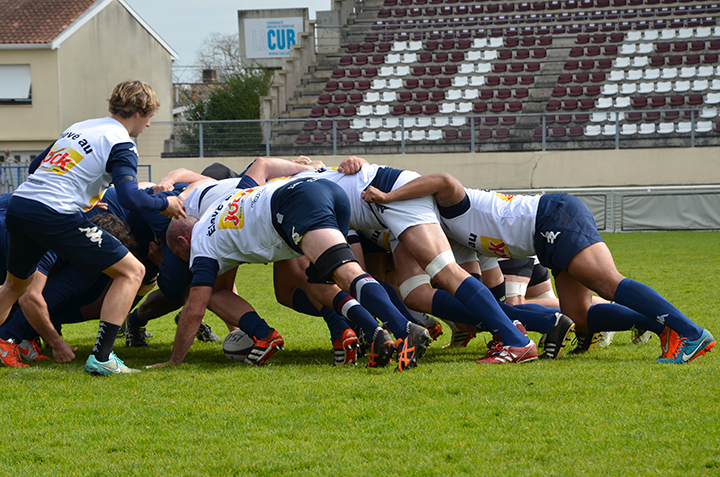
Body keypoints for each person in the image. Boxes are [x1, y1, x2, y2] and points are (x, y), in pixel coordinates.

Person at [362, 172, 715, 364]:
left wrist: (389, 197)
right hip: (543, 239)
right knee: (580, 314)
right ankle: (660, 325)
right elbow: (472, 285)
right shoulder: (447, 235)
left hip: (552, 216)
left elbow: (442, 179)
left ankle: (691, 332)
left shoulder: (447, 204)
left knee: (608, 283)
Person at [150, 176, 431, 371]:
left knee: (346, 272)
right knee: (322, 285)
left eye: (178, 254)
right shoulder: (216, 209)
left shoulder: (200, 242)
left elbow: (195, 309)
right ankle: (375, 333)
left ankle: (404, 329)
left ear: (182, 241)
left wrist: (174, 361)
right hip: (321, 190)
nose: (182, 260)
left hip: (294, 205)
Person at [0, 80, 186, 375]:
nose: (149, 124)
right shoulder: (122, 143)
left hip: (21, 207)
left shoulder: (80, 127)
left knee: (14, 287)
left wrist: (84, 195)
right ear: (139, 111)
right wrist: (165, 204)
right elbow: (130, 197)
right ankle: (102, 358)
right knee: (132, 271)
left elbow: (37, 166)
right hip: (53, 214)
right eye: (150, 116)